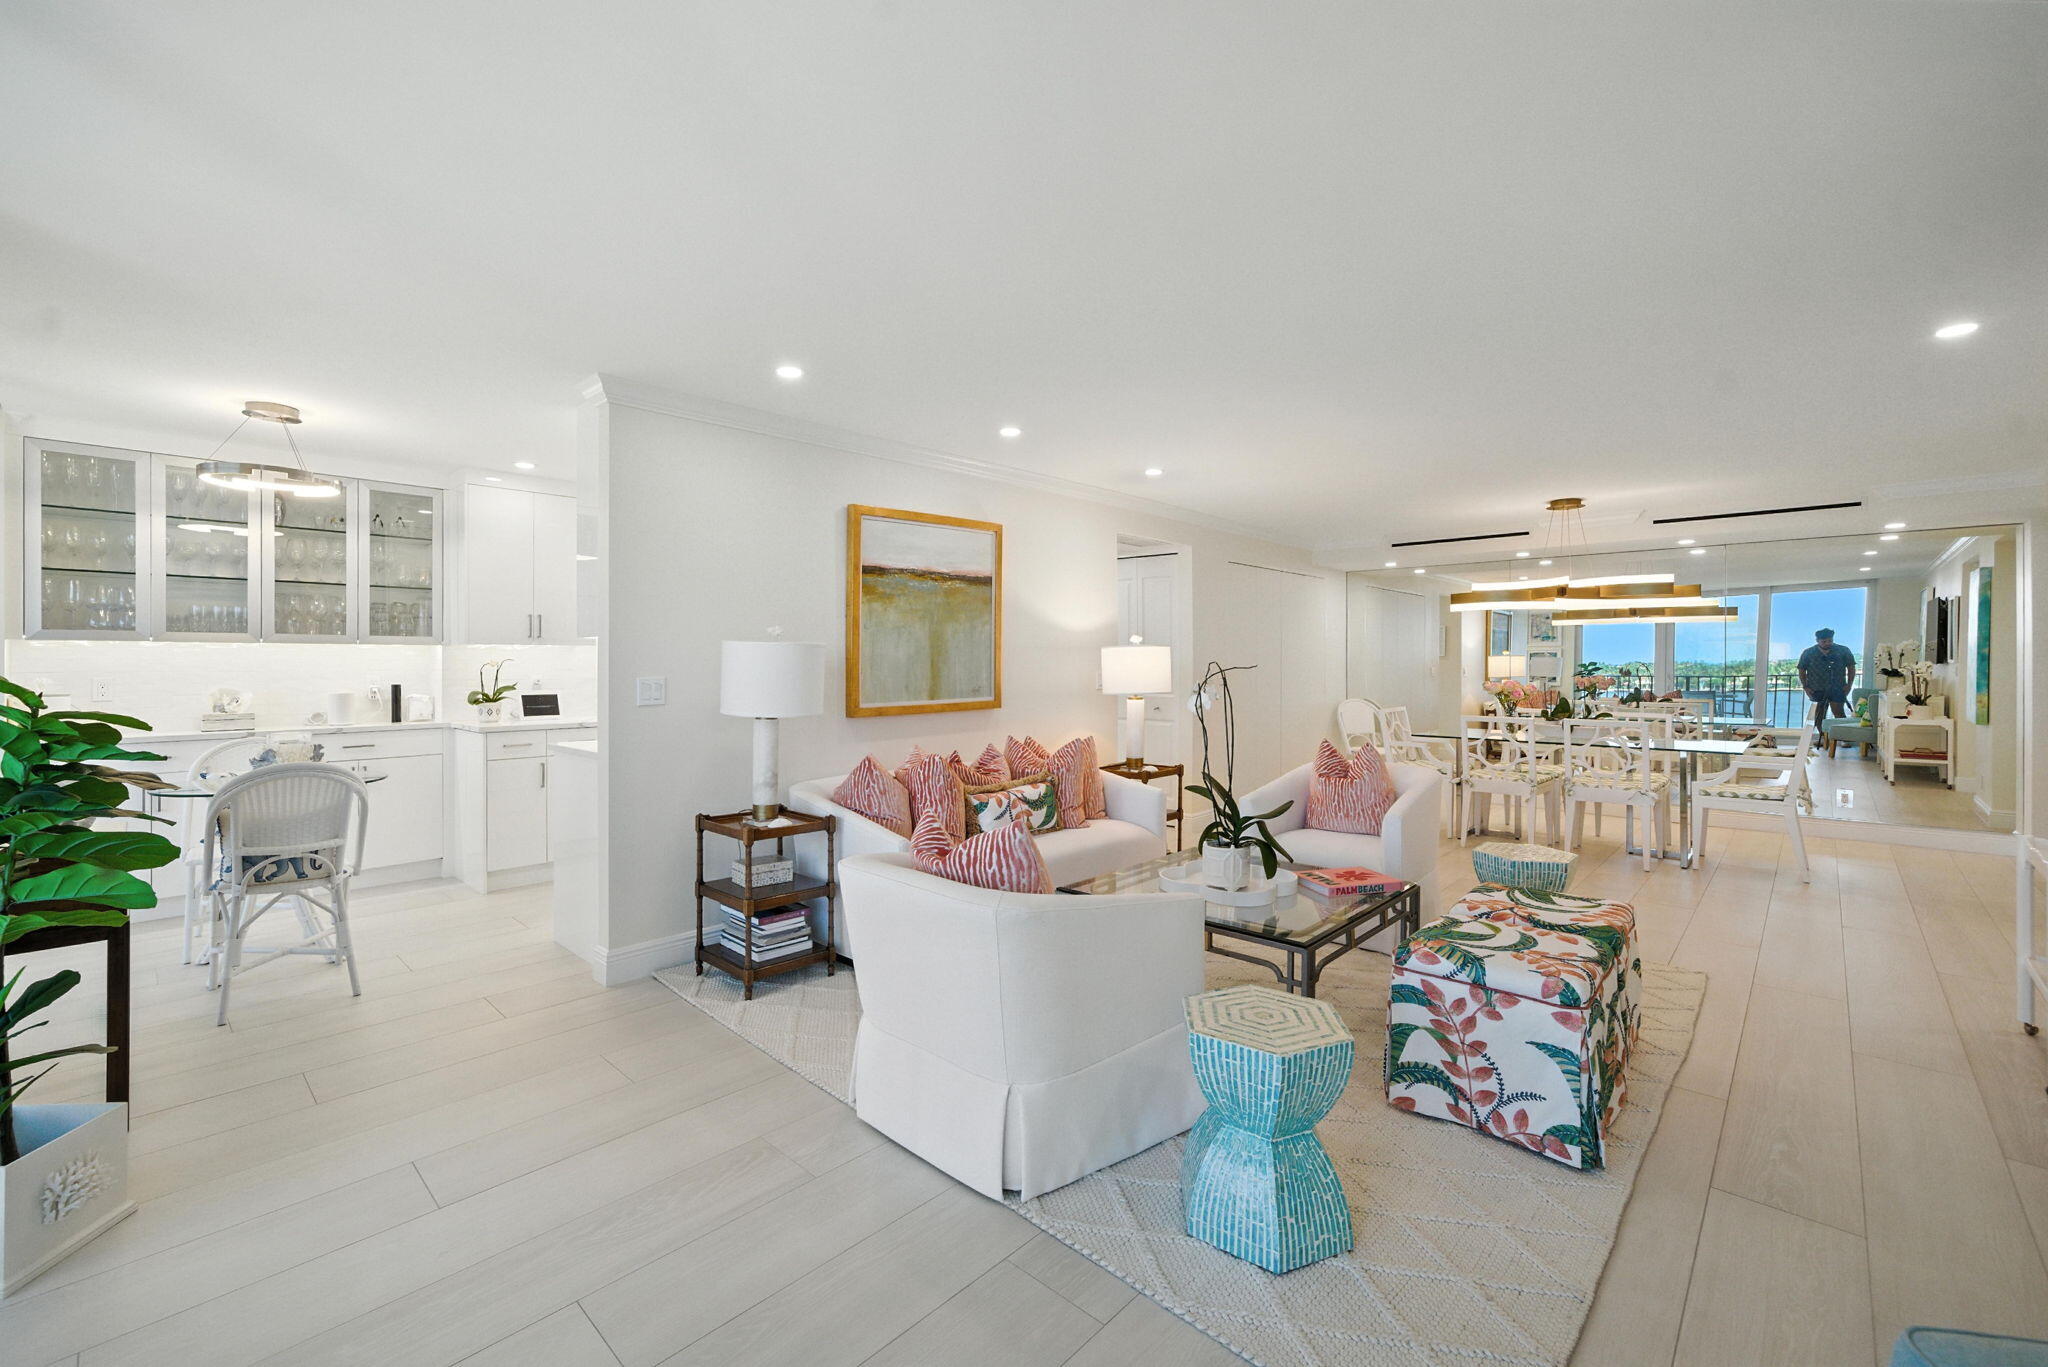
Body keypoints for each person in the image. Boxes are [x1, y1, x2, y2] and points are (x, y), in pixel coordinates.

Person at [1796, 628, 1856, 732]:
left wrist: (1849, 684)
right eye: (1824, 641)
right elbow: (1801, 670)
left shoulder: (1843, 650)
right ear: (1817, 640)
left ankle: (1843, 738)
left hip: (1838, 687)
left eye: (1830, 640)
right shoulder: (1808, 653)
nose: (1828, 643)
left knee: (1839, 713)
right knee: (1819, 714)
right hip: (1816, 687)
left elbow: (1851, 668)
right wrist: (1805, 686)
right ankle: (1822, 738)